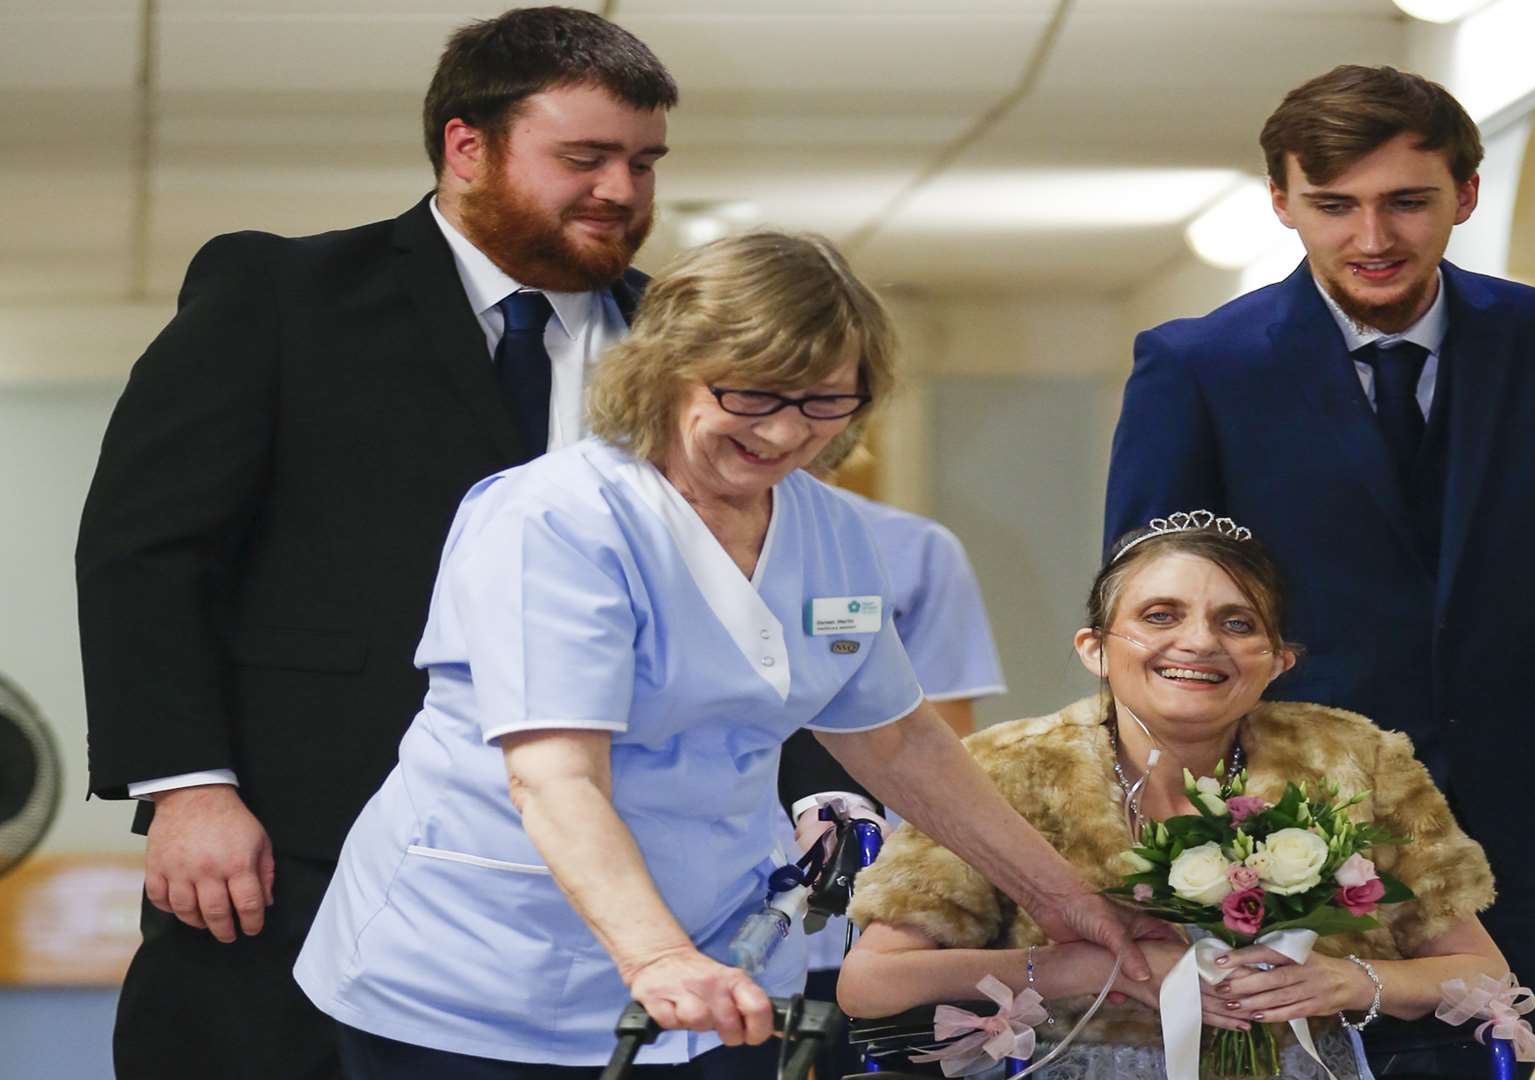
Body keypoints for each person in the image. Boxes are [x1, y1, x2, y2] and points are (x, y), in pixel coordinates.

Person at [293, 231, 1162, 1079]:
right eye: (755, 396)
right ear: (668, 369)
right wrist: (657, 956)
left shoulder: (829, 530)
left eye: (827, 402)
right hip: (488, 960)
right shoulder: (557, 519)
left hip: (720, 949)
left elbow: (898, 741)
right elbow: (555, 775)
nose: (787, 435)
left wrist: (1069, 904)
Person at [74, 9, 675, 1077]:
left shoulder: (680, 343)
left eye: (643, 162)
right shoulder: (283, 297)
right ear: (466, 145)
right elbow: (146, 552)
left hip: (596, 865)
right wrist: (187, 787)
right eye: (583, 158)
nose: (621, 192)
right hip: (297, 838)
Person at [1104, 64, 1535, 1073]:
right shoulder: (1200, 367)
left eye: (1407, 202)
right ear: (1282, 203)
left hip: (1520, 827)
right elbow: (1153, 623)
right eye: (1334, 205)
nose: (1373, 238)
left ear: (1465, 196)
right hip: (1281, 831)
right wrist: (1160, 820)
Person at [839, 517, 1508, 1080]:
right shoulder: (1006, 767)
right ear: (1095, 649)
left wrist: (1352, 982)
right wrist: (1085, 969)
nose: (1199, 642)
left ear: (1280, 661)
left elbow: (1484, 973)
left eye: (1237, 622)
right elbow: (869, 985)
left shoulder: (1353, 759)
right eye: (1160, 616)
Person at [782, 443, 1009, 1080]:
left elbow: (944, 747)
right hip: (710, 914)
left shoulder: (912, 549)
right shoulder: (657, 536)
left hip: (867, 915)